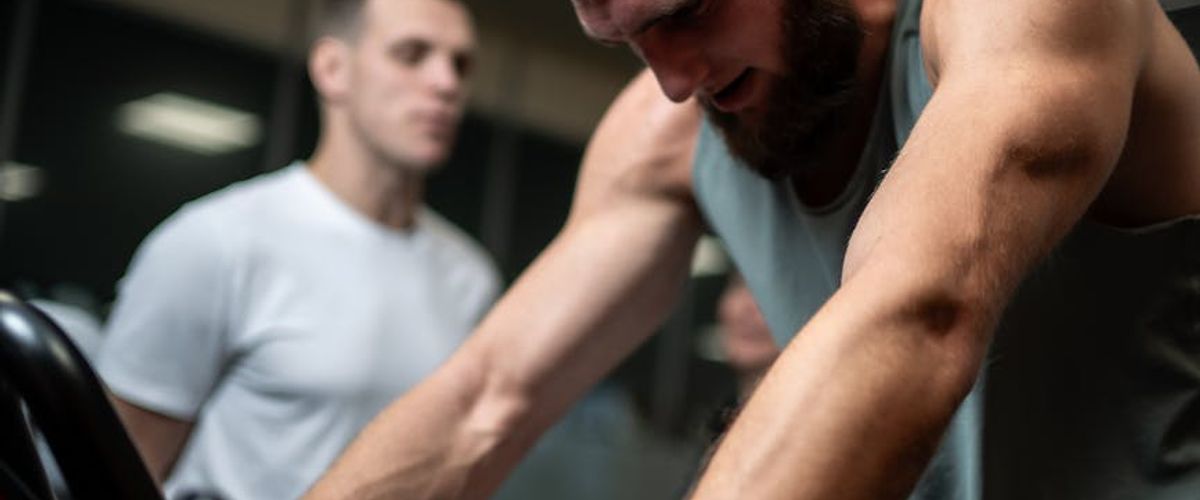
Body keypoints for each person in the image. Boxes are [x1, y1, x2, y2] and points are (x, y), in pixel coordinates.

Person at [307, 0, 1200, 498]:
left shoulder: (1022, 15)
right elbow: (481, 404)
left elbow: (914, 314)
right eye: (629, 42)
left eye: (689, 11)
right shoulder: (668, 132)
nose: (673, 77)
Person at [95, 0, 500, 498]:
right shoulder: (216, 243)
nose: (446, 83)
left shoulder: (470, 278)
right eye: (412, 54)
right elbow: (113, 477)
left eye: (461, 63)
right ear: (333, 69)